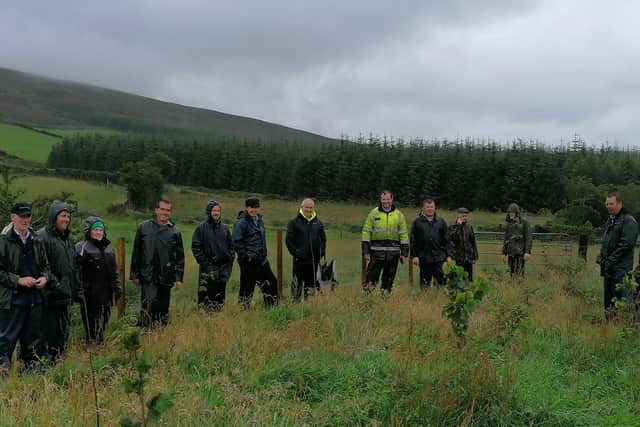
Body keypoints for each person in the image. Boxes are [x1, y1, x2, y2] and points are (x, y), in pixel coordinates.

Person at [0, 203, 50, 375]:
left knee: (32, 341)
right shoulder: (3, 241)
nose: (25, 220)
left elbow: (46, 266)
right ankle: (3, 377)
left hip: (34, 299)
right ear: (12, 217)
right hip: (12, 300)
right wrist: (18, 280)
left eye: (28, 216)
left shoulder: (36, 239)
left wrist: (45, 277)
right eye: (21, 216)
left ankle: (29, 375)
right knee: (6, 340)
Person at [37, 200, 80, 364]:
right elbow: (42, 266)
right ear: (54, 217)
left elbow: (73, 267)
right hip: (49, 297)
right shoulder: (42, 237)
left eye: (68, 217)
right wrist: (57, 285)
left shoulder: (68, 240)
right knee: (47, 334)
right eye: (63, 216)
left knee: (62, 335)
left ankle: (58, 365)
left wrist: (75, 290)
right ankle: (43, 367)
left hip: (65, 297)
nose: (66, 220)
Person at [130, 199, 184, 327]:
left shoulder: (175, 231)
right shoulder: (144, 227)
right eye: (162, 209)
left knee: (163, 307)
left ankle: (161, 335)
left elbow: (180, 257)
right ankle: (145, 332)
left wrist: (178, 277)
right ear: (156, 210)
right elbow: (136, 252)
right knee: (149, 304)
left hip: (166, 275)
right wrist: (134, 274)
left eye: (168, 210)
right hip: (147, 274)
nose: (165, 213)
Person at [76, 216, 121, 344]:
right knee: (91, 323)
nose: (98, 232)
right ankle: (91, 346)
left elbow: (114, 271)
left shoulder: (109, 248)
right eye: (95, 229)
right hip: (89, 294)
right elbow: (76, 271)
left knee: (104, 320)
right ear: (89, 231)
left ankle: (100, 344)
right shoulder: (81, 247)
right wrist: (79, 291)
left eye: (101, 230)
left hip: (106, 293)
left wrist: (117, 287)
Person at [233, 197, 279, 309]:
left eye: (255, 207)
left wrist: (264, 254)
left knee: (271, 282)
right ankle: (243, 312)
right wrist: (247, 257)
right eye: (250, 207)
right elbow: (236, 242)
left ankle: (271, 308)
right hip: (248, 261)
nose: (253, 210)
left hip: (262, 259)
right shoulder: (241, 223)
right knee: (247, 288)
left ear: (258, 208)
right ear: (246, 208)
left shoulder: (260, 221)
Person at [598, 193, 637, 317]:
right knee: (609, 299)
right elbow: (607, 241)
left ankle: (627, 325)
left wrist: (611, 260)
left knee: (622, 297)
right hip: (609, 267)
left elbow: (627, 244)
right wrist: (601, 256)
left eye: (611, 204)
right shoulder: (611, 219)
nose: (608, 206)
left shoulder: (628, 220)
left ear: (620, 204)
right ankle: (609, 325)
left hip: (621, 267)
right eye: (607, 203)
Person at [361, 191, 409, 294]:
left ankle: (385, 298)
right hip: (376, 253)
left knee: (388, 280)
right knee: (371, 279)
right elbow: (366, 232)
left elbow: (404, 235)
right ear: (380, 200)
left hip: (393, 254)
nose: (385, 201)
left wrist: (404, 253)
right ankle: (366, 298)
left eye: (388, 199)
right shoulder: (373, 214)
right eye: (383, 199)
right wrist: (365, 251)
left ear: (392, 199)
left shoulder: (399, 215)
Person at [191, 201, 234, 312]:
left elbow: (231, 246)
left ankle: (217, 322)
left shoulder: (225, 228)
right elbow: (196, 248)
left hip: (223, 269)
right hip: (207, 269)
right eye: (214, 210)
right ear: (209, 211)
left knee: (219, 300)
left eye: (218, 210)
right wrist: (205, 264)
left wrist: (229, 261)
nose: (216, 213)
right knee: (206, 299)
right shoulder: (201, 228)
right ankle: (204, 322)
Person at [286, 198, 327, 300]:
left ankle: (309, 307)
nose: (308, 210)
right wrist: (296, 253)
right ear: (302, 207)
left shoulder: (318, 223)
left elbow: (323, 239)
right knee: (297, 285)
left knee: (311, 287)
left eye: (311, 207)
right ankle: (295, 305)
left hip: (314, 261)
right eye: (306, 207)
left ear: (313, 208)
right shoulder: (294, 223)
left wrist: (321, 253)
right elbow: (289, 241)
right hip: (299, 261)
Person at [410, 199, 451, 289]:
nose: (430, 209)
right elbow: (413, 240)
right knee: (425, 283)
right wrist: (415, 256)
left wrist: (448, 255)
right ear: (423, 208)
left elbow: (447, 240)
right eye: (427, 207)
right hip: (424, 257)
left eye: (432, 207)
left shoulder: (441, 222)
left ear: (435, 208)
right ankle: (425, 299)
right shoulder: (417, 222)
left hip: (439, 257)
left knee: (441, 282)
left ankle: (439, 299)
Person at [448, 207, 479, 281]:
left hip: (468, 258)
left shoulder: (469, 227)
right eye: (462, 216)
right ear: (458, 216)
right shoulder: (452, 227)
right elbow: (452, 238)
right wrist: (458, 226)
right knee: (456, 279)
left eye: (465, 216)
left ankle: (467, 291)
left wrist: (474, 255)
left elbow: (473, 242)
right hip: (457, 258)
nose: (464, 218)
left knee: (468, 279)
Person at [501, 203, 532, 276]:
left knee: (520, 274)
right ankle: (513, 287)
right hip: (511, 253)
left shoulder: (524, 223)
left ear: (517, 213)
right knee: (511, 274)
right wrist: (504, 253)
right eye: (509, 212)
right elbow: (506, 239)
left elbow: (528, 238)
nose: (511, 214)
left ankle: (520, 286)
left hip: (520, 253)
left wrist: (527, 252)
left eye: (513, 212)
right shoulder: (509, 224)